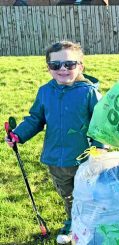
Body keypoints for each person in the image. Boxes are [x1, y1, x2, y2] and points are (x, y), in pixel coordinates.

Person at [4, 41, 106, 244]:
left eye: (69, 64)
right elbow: (35, 119)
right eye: (56, 65)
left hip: (84, 157)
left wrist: (99, 148)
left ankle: (91, 224)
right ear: (48, 68)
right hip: (55, 158)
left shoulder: (89, 92)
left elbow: (100, 124)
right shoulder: (45, 92)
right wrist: (18, 135)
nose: (63, 69)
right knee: (67, 195)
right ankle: (72, 222)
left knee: (86, 194)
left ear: (81, 66)